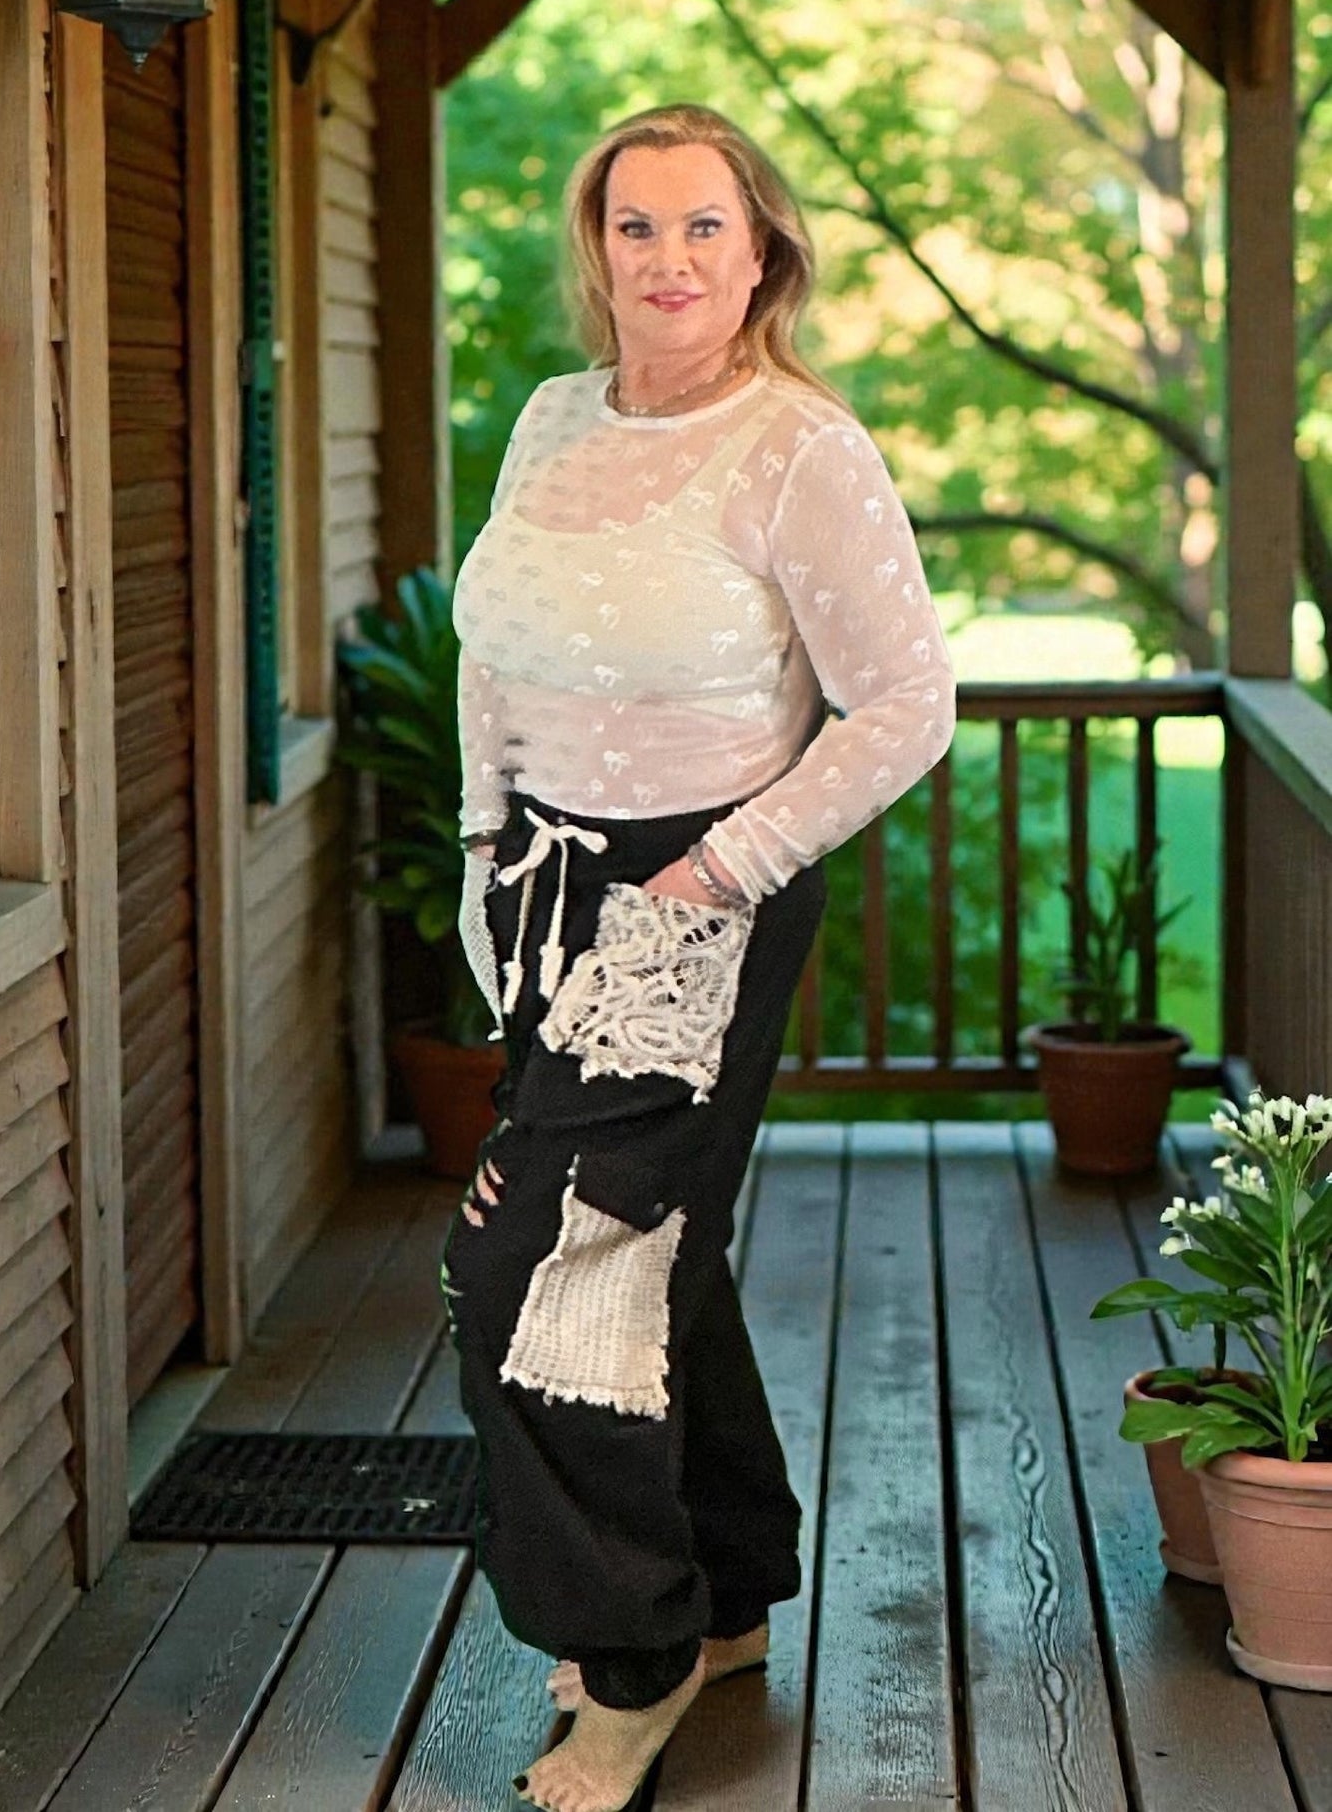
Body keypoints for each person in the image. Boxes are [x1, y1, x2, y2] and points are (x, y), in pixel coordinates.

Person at [444, 103, 957, 1812]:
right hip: (542, 886)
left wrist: (713, 874)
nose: (666, 261)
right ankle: (728, 1589)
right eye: (634, 227)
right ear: (594, 251)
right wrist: (479, 844)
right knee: (658, 1240)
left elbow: (907, 706)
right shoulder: (548, 419)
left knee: (541, 1263)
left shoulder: (798, 448)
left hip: (701, 899)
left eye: (701, 230)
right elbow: (490, 649)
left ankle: (636, 1657)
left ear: (763, 254)